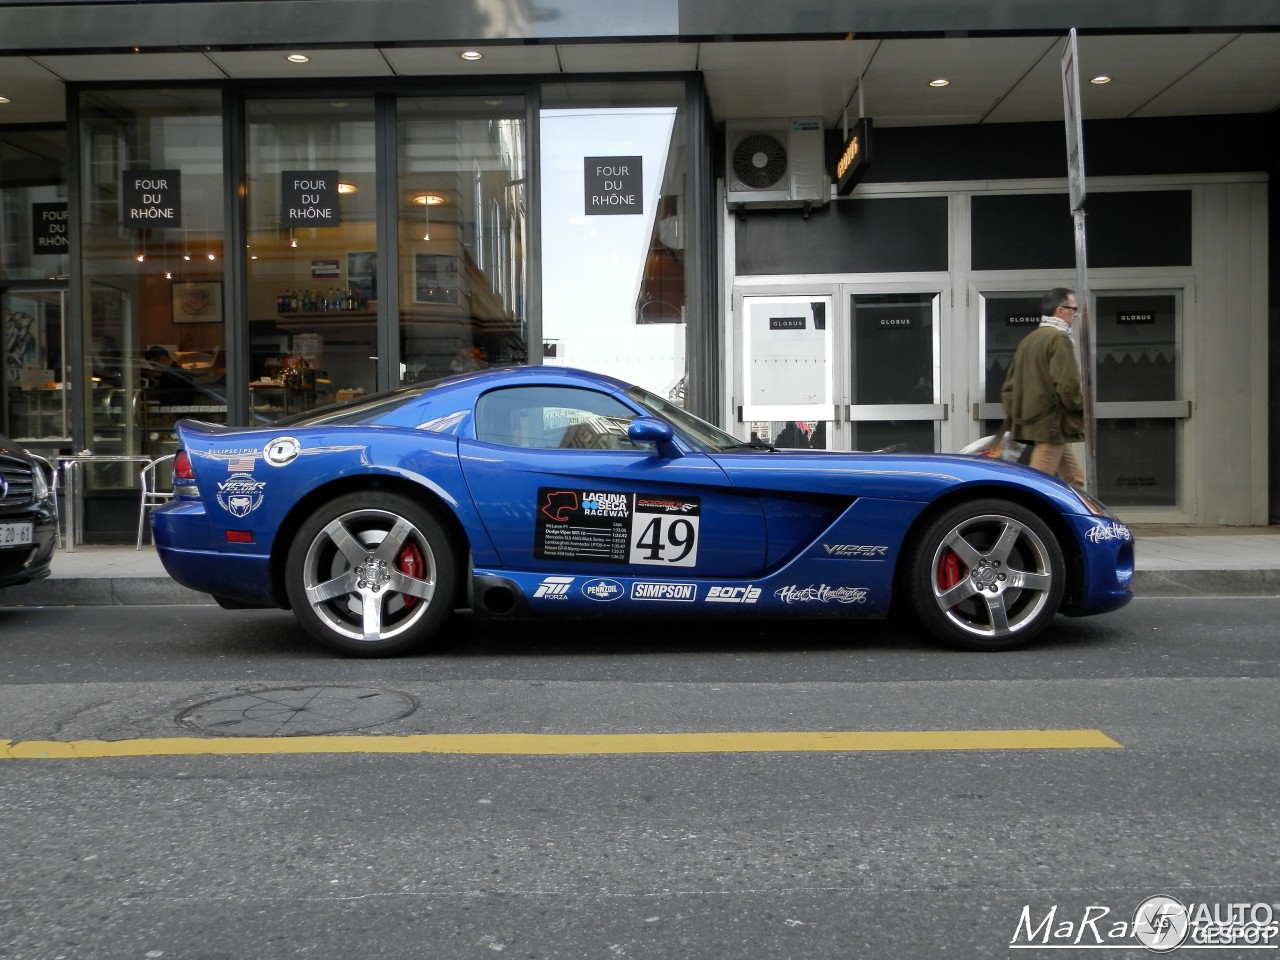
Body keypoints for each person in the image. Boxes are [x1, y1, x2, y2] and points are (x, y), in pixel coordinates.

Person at [999, 287, 1086, 489]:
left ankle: (1079, 520)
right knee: (1037, 486)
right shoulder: (1059, 339)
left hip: (1037, 422)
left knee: (1075, 481)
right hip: (1050, 424)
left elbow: (1009, 386)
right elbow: (1067, 384)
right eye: (1074, 309)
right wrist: (1080, 408)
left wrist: (1018, 416)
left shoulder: (1029, 340)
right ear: (1060, 311)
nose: (1076, 314)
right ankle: (1019, 520)